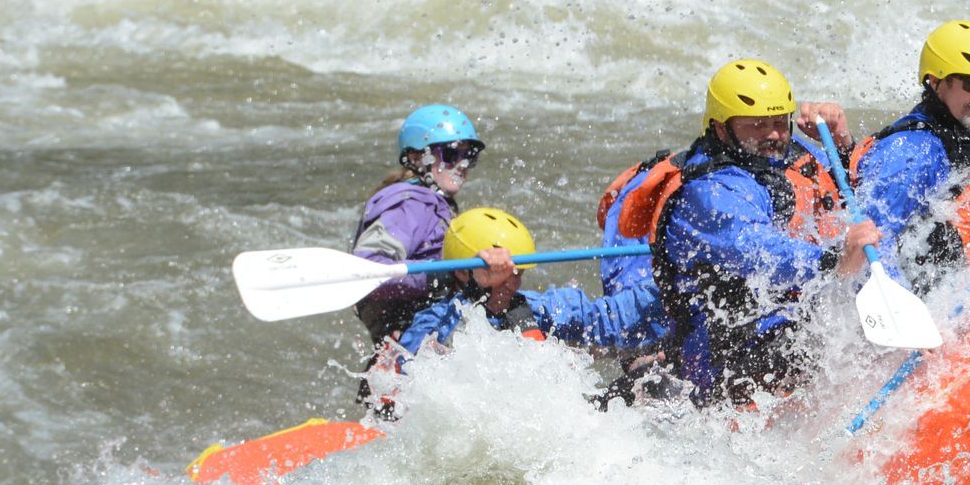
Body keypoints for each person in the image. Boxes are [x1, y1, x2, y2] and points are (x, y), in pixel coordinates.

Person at [636, 58, 879, 407]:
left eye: (781, 122)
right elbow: (758, 252)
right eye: (758, 125)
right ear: (721, 129)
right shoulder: (711, 192)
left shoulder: (783, 156)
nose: (775, 135)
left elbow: (855, 198)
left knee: (843, 329)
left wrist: (841, 144)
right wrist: (835, 260)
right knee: (833, 342)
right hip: (720, 359)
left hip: (775, 326)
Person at [849, 20, 970, 298]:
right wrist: (912, 323)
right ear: (936, 81)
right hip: (936, 298)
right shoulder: (915, 153)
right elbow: (873, 247)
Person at [389, 208, 666, 359]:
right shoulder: (433, 321)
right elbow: (416, 369)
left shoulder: (536, 307)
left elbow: (609, 318)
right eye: (501, 275)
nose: (512, 284)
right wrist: (476, 293)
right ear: (464, 274)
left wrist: (673, 281)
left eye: (518, 273)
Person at [348, 104, 483, 343]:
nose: (461, 165)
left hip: (423, 341)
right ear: (415, 157)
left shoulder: (434, 204)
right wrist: (438, 277)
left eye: (469, 156)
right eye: (451, 154)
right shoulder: (410, 204)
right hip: (406, 343)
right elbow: (368, 267)